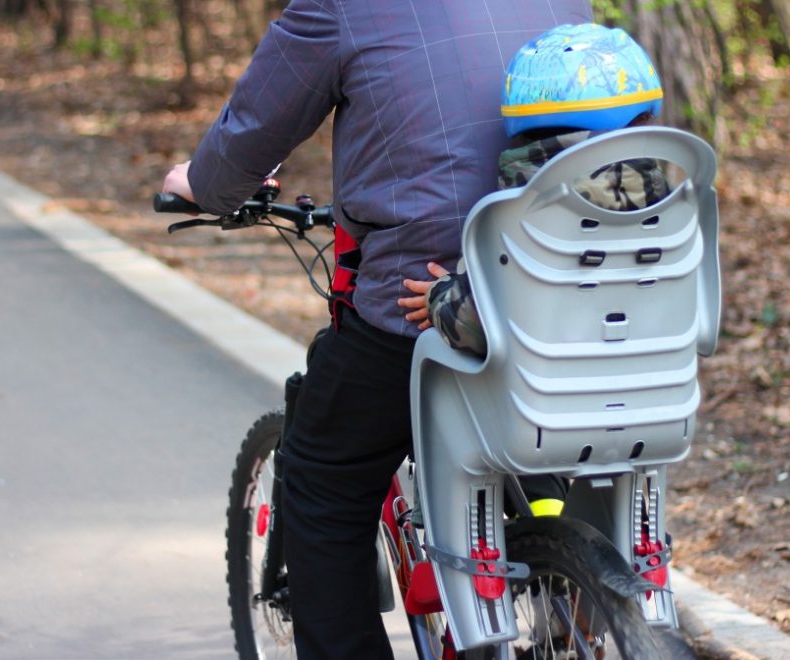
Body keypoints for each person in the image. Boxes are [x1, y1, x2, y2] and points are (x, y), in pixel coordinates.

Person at [162, 2, 594, 657]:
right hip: (574, 294)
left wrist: (201, 184)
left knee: (320, 481)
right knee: (525, 426)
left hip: (430, 299)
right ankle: (560, 566)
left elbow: (253, 126)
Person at [398, 23, 671, 355]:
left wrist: (440, 296)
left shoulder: (515, 214)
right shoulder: (671, 204)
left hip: (546, 398)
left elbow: (471, 328)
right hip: (655, 392)